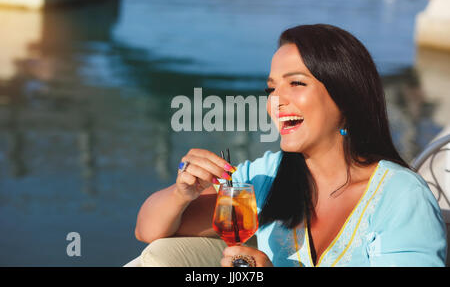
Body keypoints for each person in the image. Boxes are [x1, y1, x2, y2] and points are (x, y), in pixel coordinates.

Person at [134, 24, 447, 267]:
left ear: (346, 97)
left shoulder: (401, 196)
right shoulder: (267, 176)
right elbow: (148, 231)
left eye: (296, 83)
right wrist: (181, 194)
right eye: (272, 88)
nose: (276, 101)